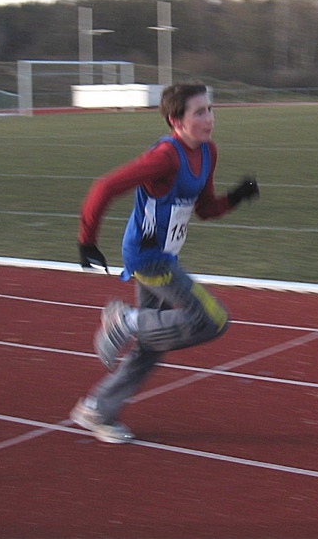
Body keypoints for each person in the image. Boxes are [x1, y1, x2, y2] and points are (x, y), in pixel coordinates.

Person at [71, 83, 259, 443]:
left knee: (153, 342)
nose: (209, 118)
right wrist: (87, 240)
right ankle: (124, 320)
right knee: (213, 320)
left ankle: (97, 409)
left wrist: (236, 197)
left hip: (166, 254)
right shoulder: (165, 157)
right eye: (199, 112)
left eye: (210, 109)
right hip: (148, 257)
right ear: (176, 120)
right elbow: (104, 187)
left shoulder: (207, 152)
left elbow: (205, 209)